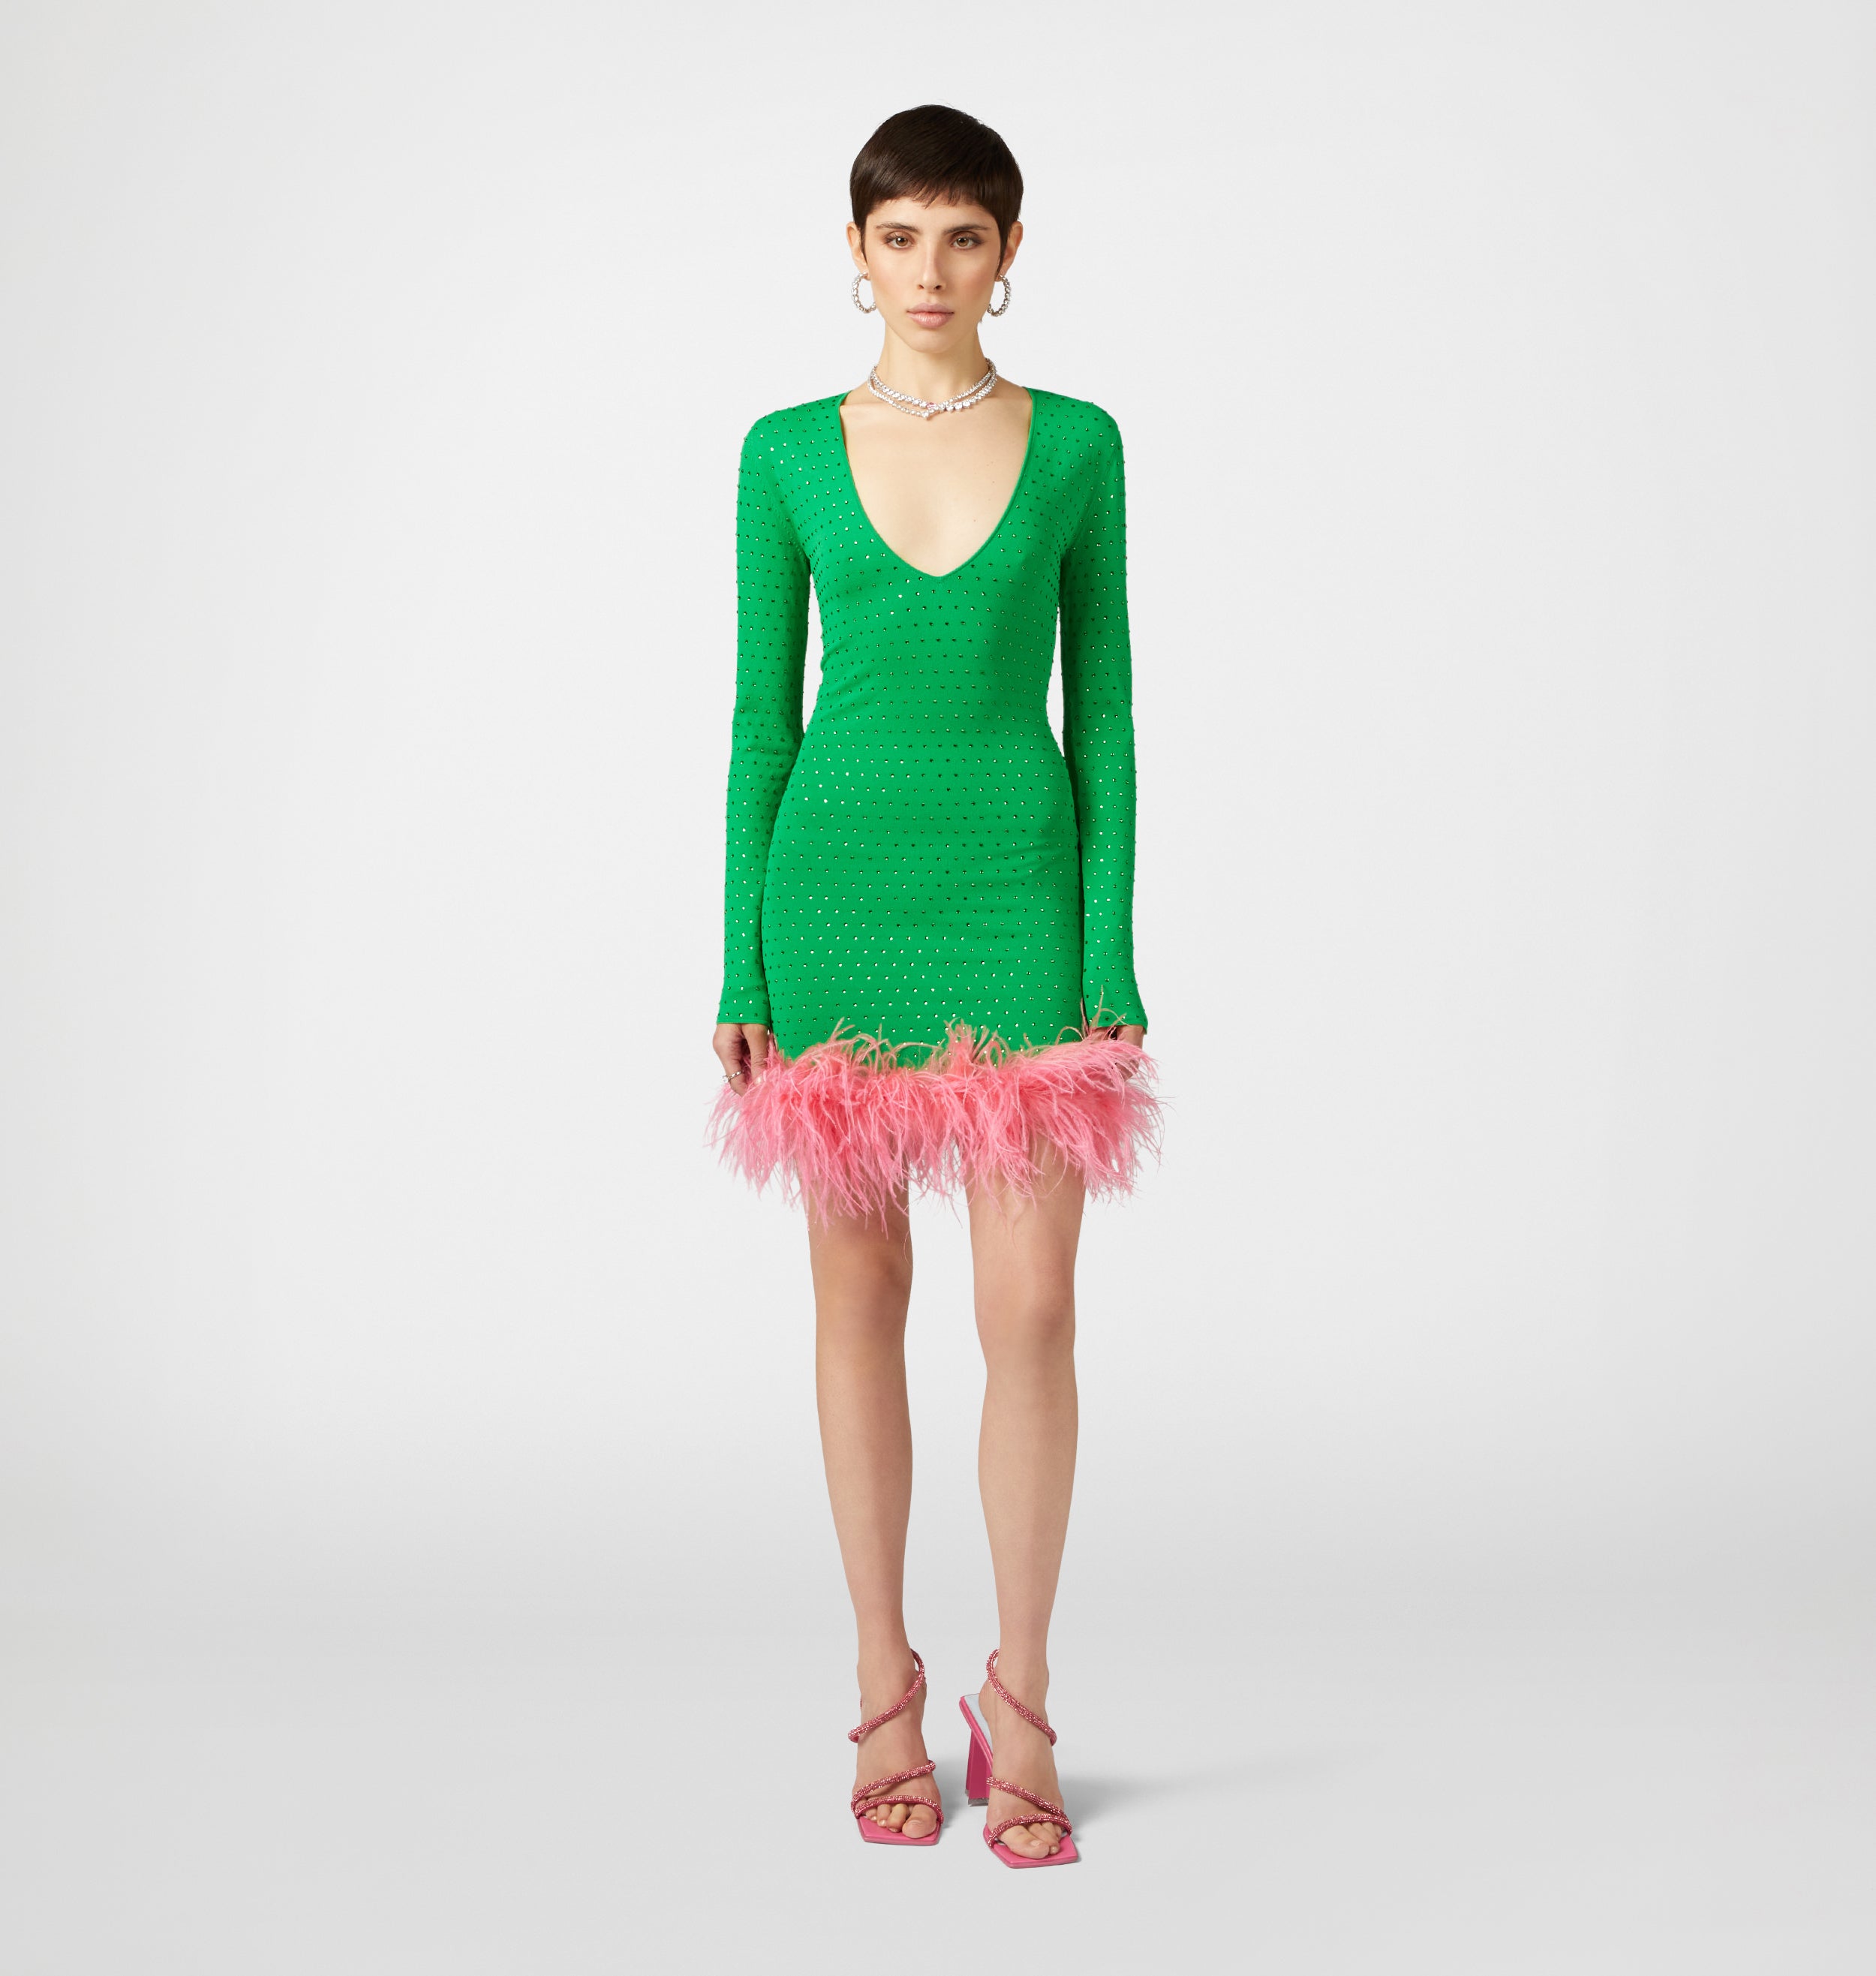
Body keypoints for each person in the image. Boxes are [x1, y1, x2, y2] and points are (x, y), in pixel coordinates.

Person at [706, 103, 1162, 1867]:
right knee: (860, 1297)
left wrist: (1106, 948)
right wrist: (737, 957)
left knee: (1029, 1310)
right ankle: (881, 1685)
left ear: (1007, 253)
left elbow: (1100, 709)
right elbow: (760, 719)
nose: (928, 269)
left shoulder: (1077, 445)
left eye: (962, 236)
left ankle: (1019, 1693)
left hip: (1013, 901)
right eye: (898, 236)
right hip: (832, 902)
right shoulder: (783, 453)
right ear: (854, 251)